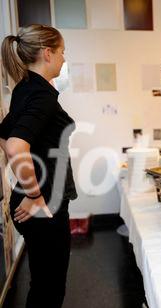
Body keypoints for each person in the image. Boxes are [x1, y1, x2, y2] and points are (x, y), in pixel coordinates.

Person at [0, 24, 78, 308]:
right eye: (62, 52)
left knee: (43, 284)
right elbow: (15, 145)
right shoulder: (41, 94)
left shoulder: (26, 87)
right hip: (43, 204)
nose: (64, 59)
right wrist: (34, 195)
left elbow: (4, 133)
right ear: (48, 53)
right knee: (50, 288)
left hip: (36, 201)